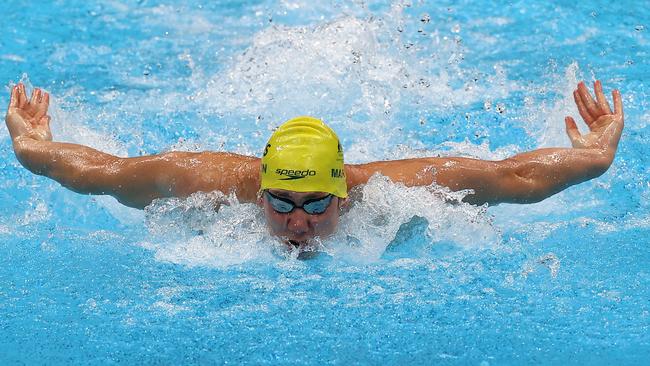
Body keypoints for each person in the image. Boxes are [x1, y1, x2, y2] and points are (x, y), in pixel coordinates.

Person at [5, 81, 624, 248]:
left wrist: (592, 156)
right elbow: (102, 172)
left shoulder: (386, 191)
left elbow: (511, 177)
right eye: (280, 204)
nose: (295, 223)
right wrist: (35, 149)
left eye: (313, 206)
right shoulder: (212, 186)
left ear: (343, 196)